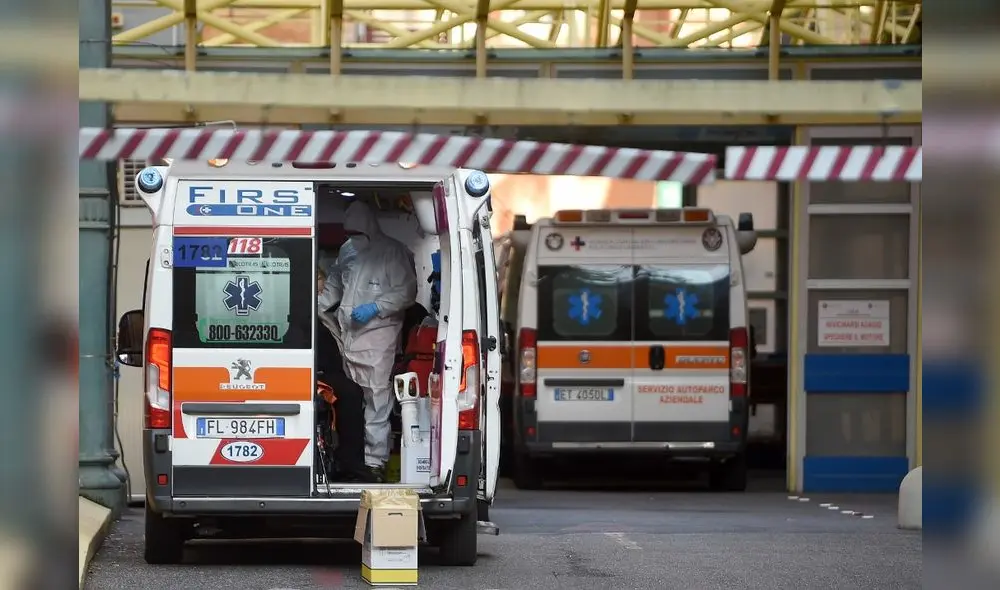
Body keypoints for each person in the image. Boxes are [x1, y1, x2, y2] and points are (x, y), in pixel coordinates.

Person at [318, 200, 417, 481]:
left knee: (376, 399)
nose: (354, 239)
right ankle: (352, 459)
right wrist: (319, 304)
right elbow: (337, 281)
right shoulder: (348, 250)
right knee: (350, 399)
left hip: (378, 337)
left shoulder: (393, 253)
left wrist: (377, 307)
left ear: (370, 229)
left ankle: (374, 462)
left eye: (358, 234)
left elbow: (407, 291)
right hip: (347, 336)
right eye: (350, 234)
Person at [314, 268, 372, 483]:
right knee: (350, 393)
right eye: (320, 279)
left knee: (351, 390)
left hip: (326, 371)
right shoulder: (303, 310)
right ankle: (351, 465)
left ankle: (350, 463)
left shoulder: (323, 312)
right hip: (314, 372)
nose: (323, 286)